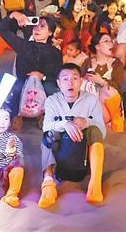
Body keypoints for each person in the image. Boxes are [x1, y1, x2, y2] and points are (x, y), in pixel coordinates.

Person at [38, 64, 106, 207]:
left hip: (82, 157)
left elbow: (102, 131)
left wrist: (87, 122)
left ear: (81, 81)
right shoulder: (52, 101)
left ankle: (95, 184)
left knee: (94, 131)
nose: (70, 83)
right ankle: (48, 182)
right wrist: (65, 124)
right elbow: (46, 126)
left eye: (75, 78)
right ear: (59, 83)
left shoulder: (91, 100)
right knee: (48, 135)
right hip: (60, 159)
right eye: (65, 79)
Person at [0, 12, 62, 131]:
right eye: (36, 26)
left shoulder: (55, 52)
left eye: (42, 26)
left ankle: (45, 115)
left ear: (50, 32)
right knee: (16, 88)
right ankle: (17, 115)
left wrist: (43, 77)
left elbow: (58, 75)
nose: (37, 29)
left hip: (44, 82)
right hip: (24, 81)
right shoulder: (24, 45)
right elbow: (1, 29)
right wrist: (12, 15)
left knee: (51, 89)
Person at [81, 33, 125, 132]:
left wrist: (101, 81)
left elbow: (117, 87)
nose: (110, 44)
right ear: (97, 46)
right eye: (106, 41)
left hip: (106, 108)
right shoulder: (88, 62)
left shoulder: (116, 64)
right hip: (90, 104)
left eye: (111, 41)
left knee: (107, 90)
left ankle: (114, 120)